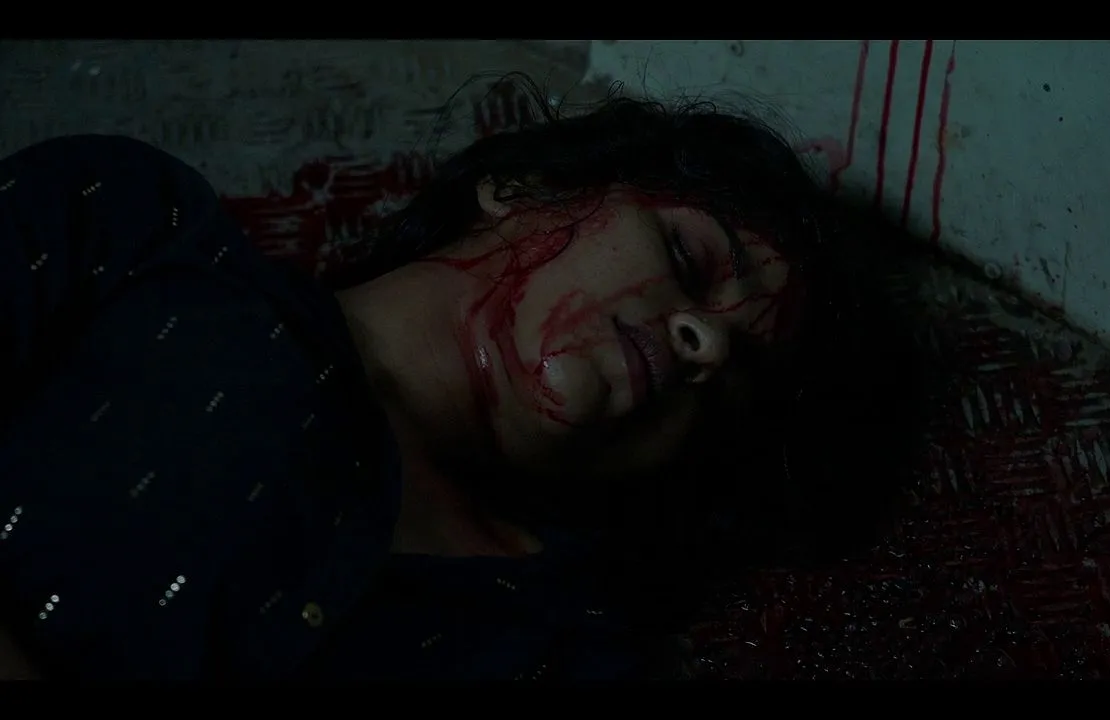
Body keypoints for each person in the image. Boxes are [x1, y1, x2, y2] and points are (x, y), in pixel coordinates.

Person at [0, 80, 914, 680]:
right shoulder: (129, 223)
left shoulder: (566, 649)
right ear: (525, 183)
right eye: (688, 256)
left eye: (736, 375)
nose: (704, 341)